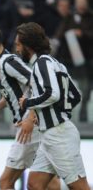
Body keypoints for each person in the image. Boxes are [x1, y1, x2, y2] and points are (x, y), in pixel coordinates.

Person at [0, 24, 60, 189]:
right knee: (49, 181)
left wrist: (31, 116)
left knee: (5, 182)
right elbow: (17, 90)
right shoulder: (0, 63)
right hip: (32, 124)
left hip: (29, 127)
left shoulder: (8, 62)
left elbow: (36, 82)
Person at [17, 22, 90, 190]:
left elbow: (52, 94)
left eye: (19, 45)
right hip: (52, 134)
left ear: (28, 46)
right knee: (34, 184)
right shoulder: (55, 63)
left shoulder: (41, 64)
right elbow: (75, 95)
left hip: (59, 135)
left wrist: (28, 103)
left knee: (80, 187)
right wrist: (51, 113)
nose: (17, 49)